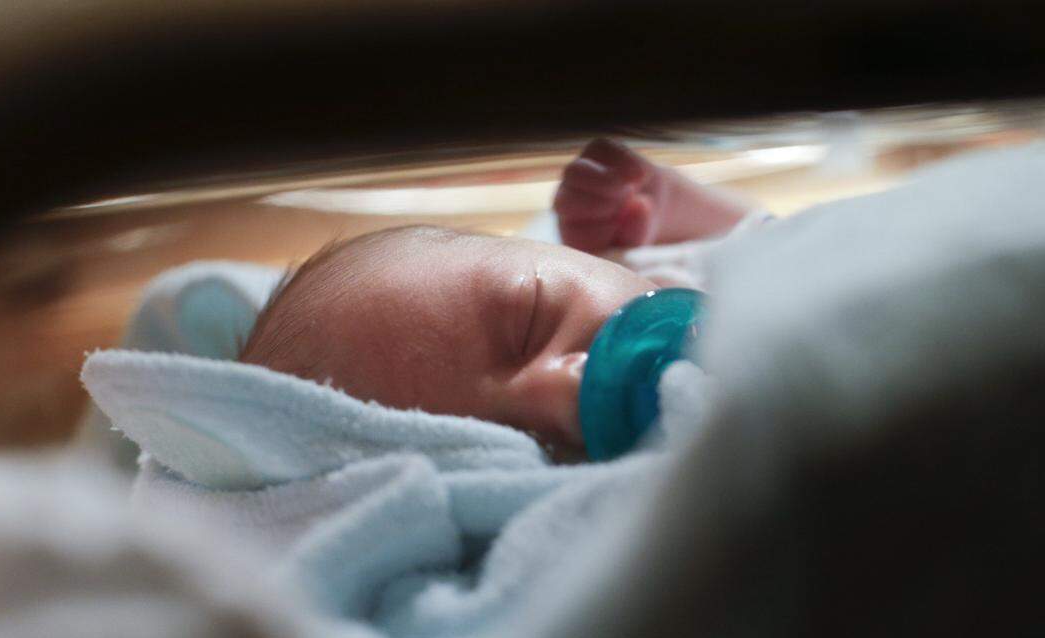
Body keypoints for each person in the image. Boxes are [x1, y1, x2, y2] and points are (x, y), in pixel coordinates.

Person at [240, 139, 760, 453]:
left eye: (532, 323)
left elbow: (768, 233)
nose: (556, 393)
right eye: (514, 439)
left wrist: (661, 201)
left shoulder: (662, 270)